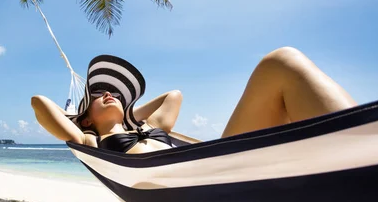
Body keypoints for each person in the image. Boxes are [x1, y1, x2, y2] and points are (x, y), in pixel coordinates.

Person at [31, 47, 357, 154]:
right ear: (86, 119)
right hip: (215, 180)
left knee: (285, 65)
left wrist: (125, 114)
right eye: (99, 97)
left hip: (211, 167)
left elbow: (174, 96)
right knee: (280, 64)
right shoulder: (91, 139)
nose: (109, 94)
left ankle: (363, 147)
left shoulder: (148, 126)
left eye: (113, 92)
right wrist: (77, 118)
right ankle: (361, 145)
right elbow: (39, 103)